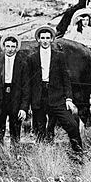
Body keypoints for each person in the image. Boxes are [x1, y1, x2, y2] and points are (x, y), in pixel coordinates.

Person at [28, 26, 83, 154]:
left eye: (48, 38)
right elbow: (28, 82)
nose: (45, 41)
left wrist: (68, 99)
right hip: (39, 97)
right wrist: (29, 103)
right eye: (43, 38)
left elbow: (66, 79)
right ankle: (43, 157)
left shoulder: (59, 56)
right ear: (39, 40)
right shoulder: (32, 58)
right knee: (40, 129)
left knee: (72, 125)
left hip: (57, 97)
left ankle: (78, 153)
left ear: (52, 39)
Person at [0, 35, 30, 145]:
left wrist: (23, 108)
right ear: (4, 47)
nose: (10, 49)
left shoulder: (23, 65)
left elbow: (26, 88)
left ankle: (14, 156)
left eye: (13, 47)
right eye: (8, 46)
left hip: (15, 99)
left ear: (16, 48)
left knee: (15, 132)